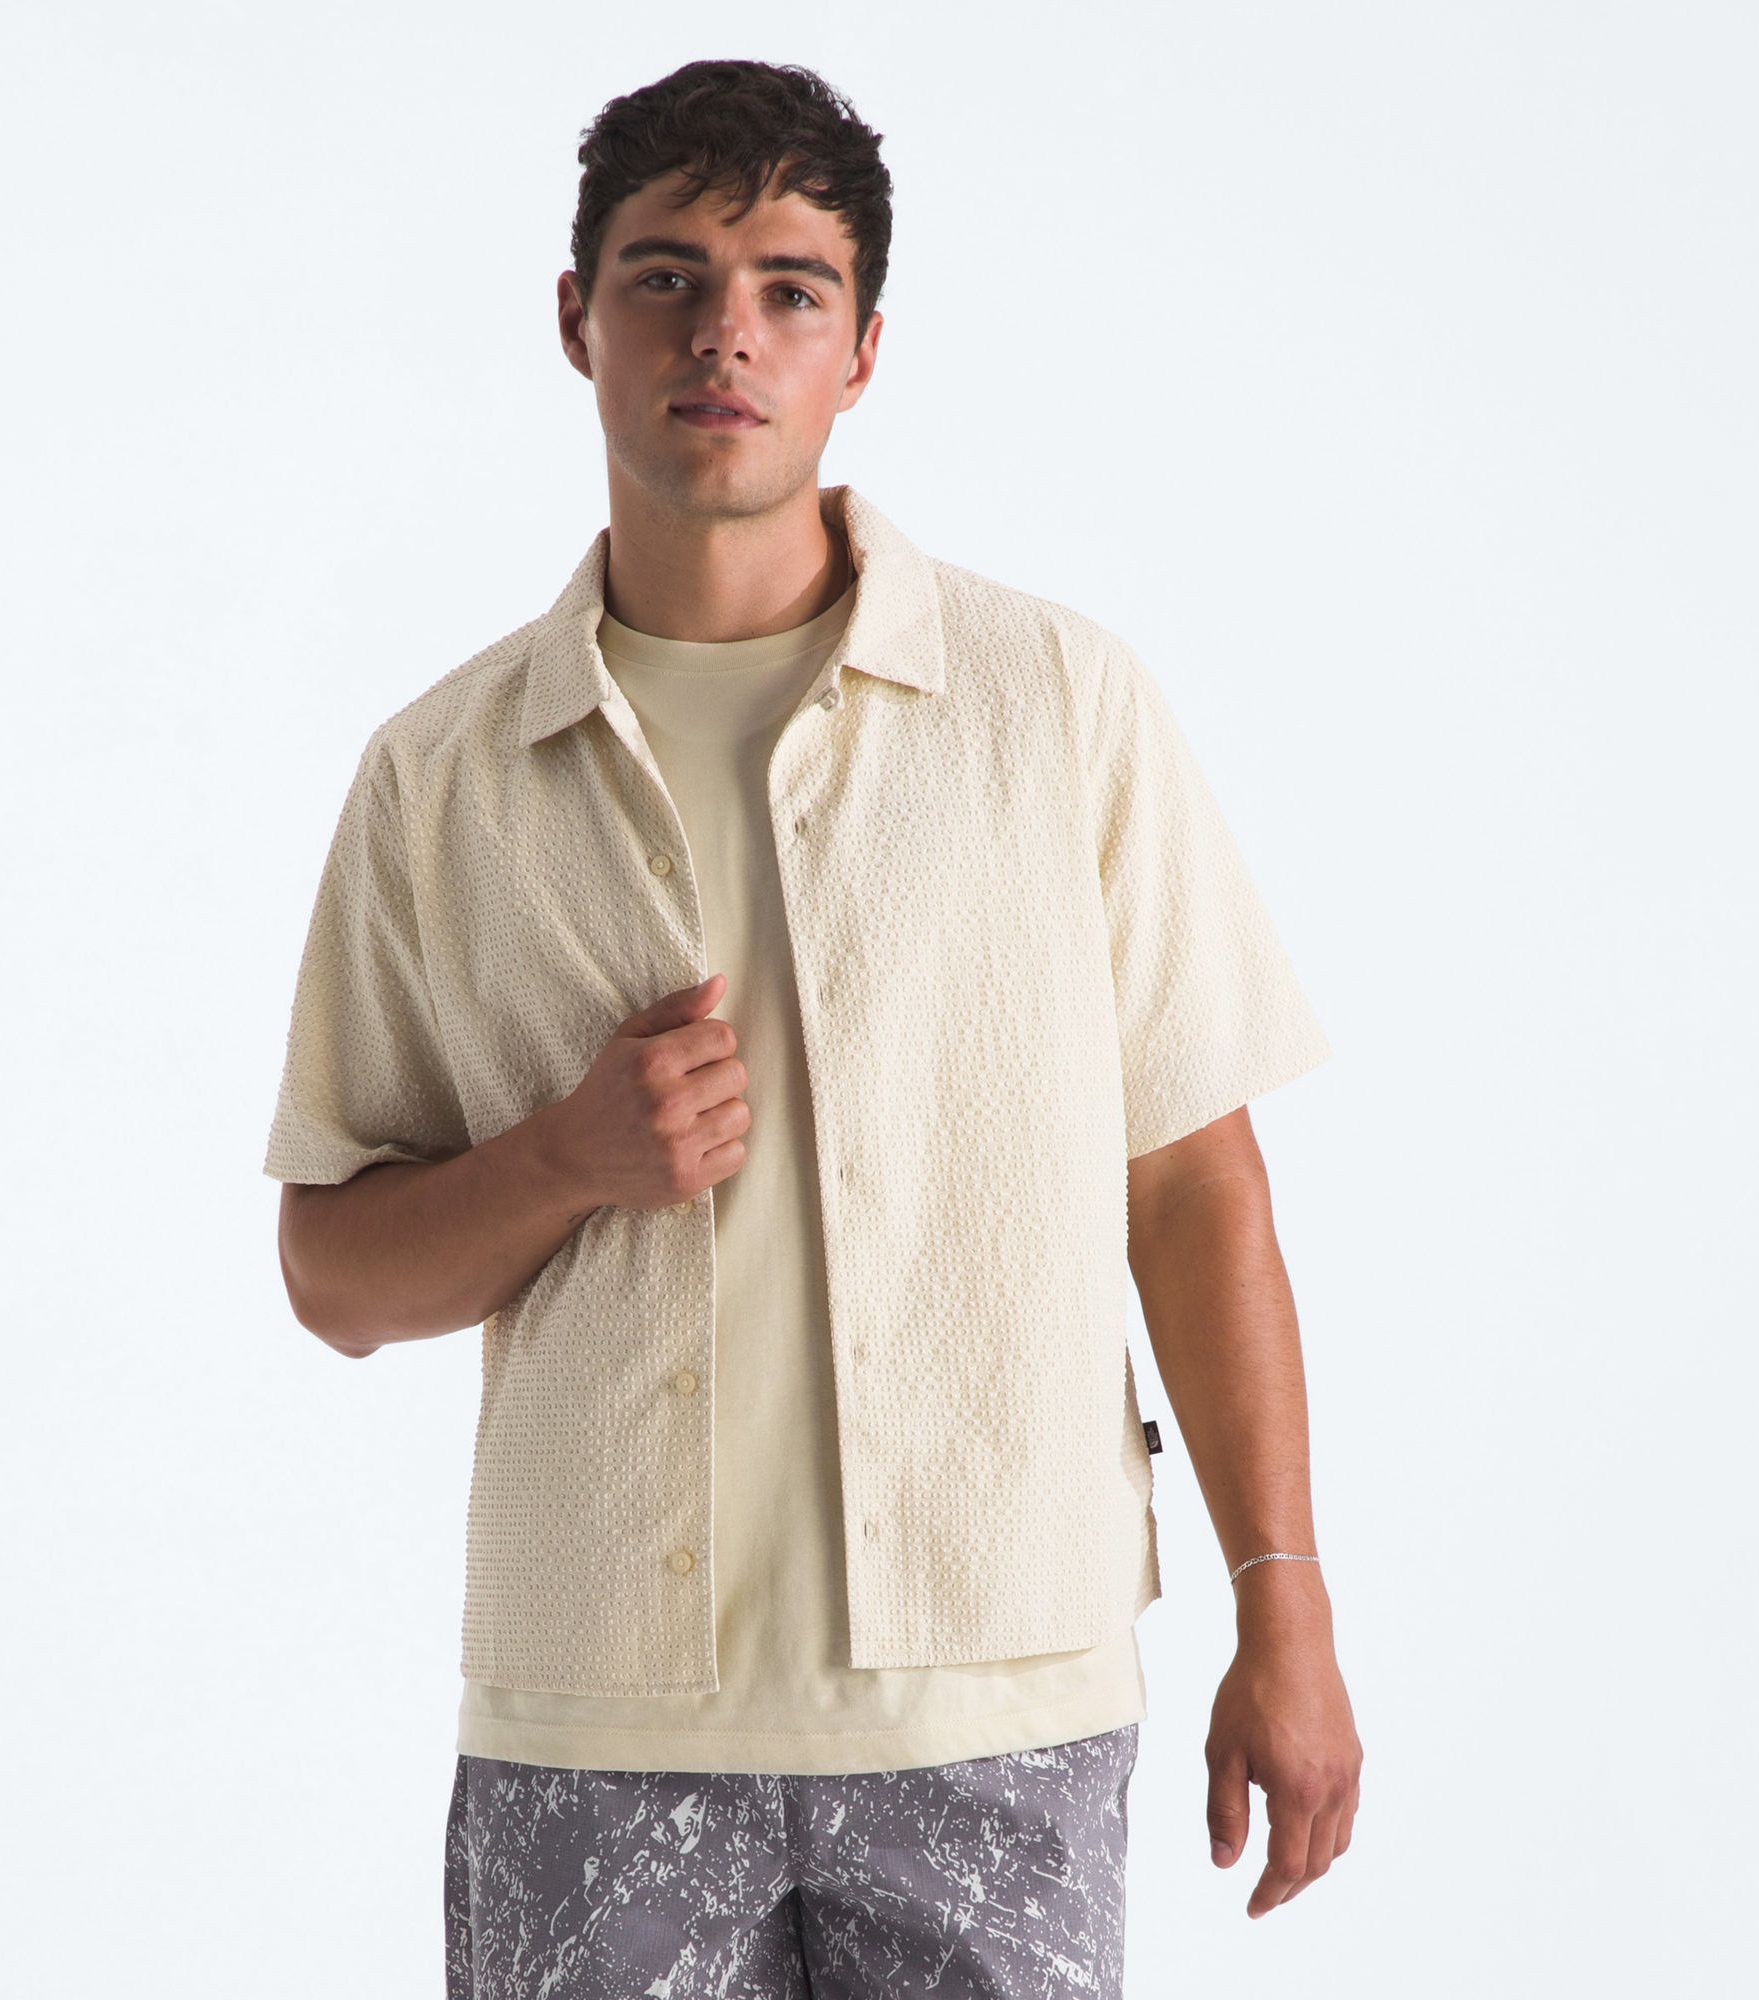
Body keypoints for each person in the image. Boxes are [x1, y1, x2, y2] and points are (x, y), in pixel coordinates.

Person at [261, 56, 1362, 1999]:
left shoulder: (1056, 705)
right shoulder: (440, 777)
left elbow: (1193, 1181)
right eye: (667, 278)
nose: (726, 335)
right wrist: (562, 1162)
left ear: (861, 350)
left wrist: (1286, 1607)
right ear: (576, 319)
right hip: (596, 1726)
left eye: (788, 287)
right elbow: (333, 1274)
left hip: (997, 1707)